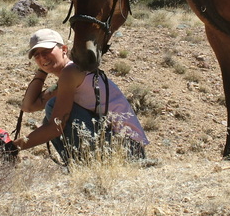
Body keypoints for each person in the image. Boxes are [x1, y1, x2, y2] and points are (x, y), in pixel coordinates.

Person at [12, 28, 149, 164]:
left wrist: (12, 147)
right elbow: (28, 106)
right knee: (50, 115)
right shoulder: (69, 76)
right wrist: (42, 69)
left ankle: (83, 166)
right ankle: (80, 165)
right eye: (36, 55)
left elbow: (55, 128)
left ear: (64, 49)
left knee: (52, 109)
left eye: (47, 51)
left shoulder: (71, 72)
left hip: (127, 149)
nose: (42, 57)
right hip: (123, 147)